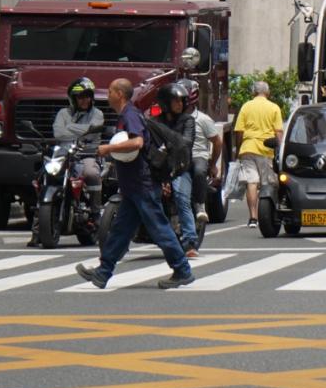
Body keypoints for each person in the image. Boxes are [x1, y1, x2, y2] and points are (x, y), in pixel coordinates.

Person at [76, 78, 193, 289]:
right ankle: (103, 273)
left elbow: (137, 142)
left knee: (159, 228)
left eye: (110, 91)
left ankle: (182, 269)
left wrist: (108, 149)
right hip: (132, 185)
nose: (108, 94)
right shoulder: (127, 114)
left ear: (120, 94)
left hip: (142, 184)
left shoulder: (130, 115)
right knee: (120, 231)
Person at [28, 77, 105, 248]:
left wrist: (70, 128)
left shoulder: (97, 114)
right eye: (80, 96)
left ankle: (95, 214)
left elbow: (91, 134)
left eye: (87, 96)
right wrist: (81, 130)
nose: (84, 100)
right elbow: (58, 133)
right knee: (42, 178)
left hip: (86, 153)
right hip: (63, 153)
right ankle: (37, 229)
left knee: (91, 173)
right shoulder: (63, 113)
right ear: (73, 98)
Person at [154, 82, 199, 256]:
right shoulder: (155, 121)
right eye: (175, 101)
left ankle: (190, 241)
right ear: (165, 103)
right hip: (159, 166)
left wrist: (168, 144)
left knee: (181, 197)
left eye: (181, 100)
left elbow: (186, 142)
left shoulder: (188, 120)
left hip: (180, 166)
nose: (180, 104)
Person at [233, 80, 283, 228]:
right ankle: (268, 214)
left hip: (248, 148)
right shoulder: (274, 107)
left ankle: (253, 217)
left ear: (253, 92)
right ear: (267, 92)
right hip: (266, 149)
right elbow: (279, 132)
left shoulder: (246, 106)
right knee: (268, 183)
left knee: (252, 182)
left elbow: (239, 131)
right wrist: (280, 150)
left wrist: (239, 148)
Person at [180, 79, 221, 226]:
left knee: (198, 171)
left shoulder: (203, 119)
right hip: (177, 157)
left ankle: (199, 204)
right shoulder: (170, 118)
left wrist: (213, 164)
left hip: (198, 156)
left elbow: (217, 142)